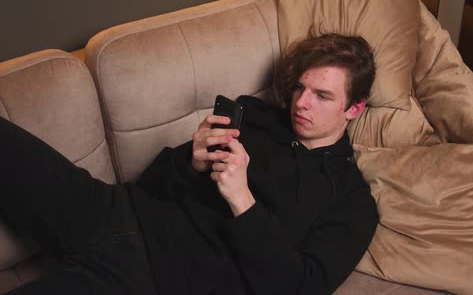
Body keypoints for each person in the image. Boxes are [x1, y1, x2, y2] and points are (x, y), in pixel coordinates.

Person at [0, 33, 378, 295]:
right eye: (300, 88)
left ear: (354, 107)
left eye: (322, 96)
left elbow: (299, 286)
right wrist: (190, 162)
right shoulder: (257, 116)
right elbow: (153, 181)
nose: (301, 103)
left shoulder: (352, 203)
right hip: (114, 208)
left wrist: (243, 203)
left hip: (153, 277)